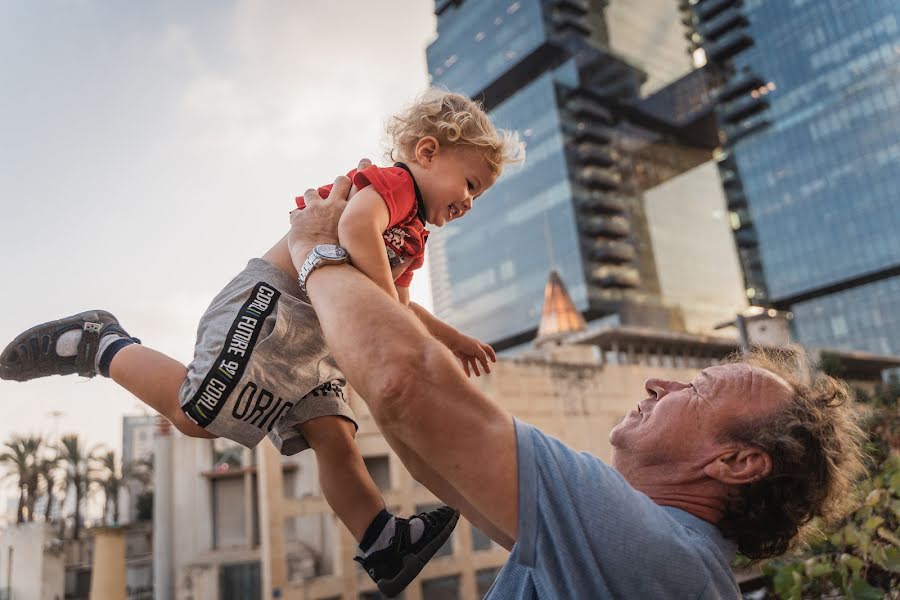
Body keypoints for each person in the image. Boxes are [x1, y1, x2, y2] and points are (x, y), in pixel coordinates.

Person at [0, 89, 521, 597]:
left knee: (334, 438)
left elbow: (399, 304)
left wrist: (451, 338)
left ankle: (380, 539)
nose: (471, 202)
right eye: (470, 183)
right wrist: (389, 320)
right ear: (428, 152)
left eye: (480, 194)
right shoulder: (394, 186)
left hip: (318, 340)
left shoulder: (414, 237)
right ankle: (101, 344)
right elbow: (359, 230)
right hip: (273, 309)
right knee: (196, 415)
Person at [284, 173, 868, 598]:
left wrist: (315, 251)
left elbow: (403, 386)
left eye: (698, 388)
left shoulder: (651, 549)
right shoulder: (656, 563)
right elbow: (428, 455)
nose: (658, 383)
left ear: (739, 462)